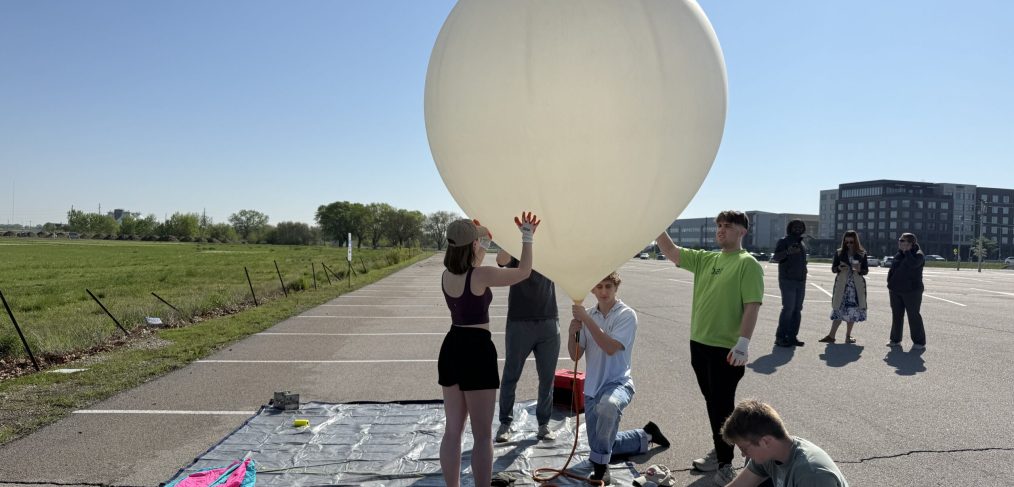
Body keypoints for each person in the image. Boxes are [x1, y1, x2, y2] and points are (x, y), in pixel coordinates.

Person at [656, 210, 764, 486]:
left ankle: (727, 463)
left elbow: (752, 305)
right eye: (718, 225)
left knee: (722, 405)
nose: (721, 229)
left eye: (728, 226)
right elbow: (669, 249)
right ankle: (720, 450)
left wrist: (743, 343)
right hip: (699, 344)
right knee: (713, 403)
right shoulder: (707, 259)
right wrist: (656, 222)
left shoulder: (747, 263)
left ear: (742, 231)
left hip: (726, 349)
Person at [438, 212, 539, 487]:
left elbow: (471, 263)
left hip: (451, 347)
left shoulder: (447, 275)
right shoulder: (481, 275)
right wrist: (527, 237)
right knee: (482, 435)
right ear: (471, 246)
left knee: (452, 432)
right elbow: (523, 271)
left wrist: (480, 239)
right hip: (476, 351)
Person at [568, 272, 669, 486]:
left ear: (616, 288)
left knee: (609, 406)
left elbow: (610, 347)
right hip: (592, 388)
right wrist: (572, 333)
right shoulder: (588, 315)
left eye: (608, 286)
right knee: (600, 444)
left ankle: (602, 466)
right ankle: (645, 435)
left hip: (618, 383)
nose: (604, 291)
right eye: (599, 286)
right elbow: (575, 355)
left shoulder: (626, 314)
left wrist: (586, 320)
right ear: (593, 289)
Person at [494, 248, 561, 442]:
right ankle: (505, 423)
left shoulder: (550, 246)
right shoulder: (517, 246)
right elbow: (500, 260)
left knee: (547, 379)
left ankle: (543, 424)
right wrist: (515, 239)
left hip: (548, 320)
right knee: (511, 375)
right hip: (519, 321)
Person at [720, 399, 849, 487]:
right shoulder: (769, 454)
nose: (743, 454)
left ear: (765, 441)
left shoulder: (811, 474)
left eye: (744, 448)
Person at [818, 231, 868, 344]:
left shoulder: (861, 253)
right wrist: (839, 268)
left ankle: (848, 336)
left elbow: (865, 271)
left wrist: (860, 270)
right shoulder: (839, 253)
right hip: (842, 285)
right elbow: (833, 269)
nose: (849, 244)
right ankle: (831, 336)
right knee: (838, 310)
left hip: (855, 287)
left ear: (855, 241)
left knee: (852, 312)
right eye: (847, 242)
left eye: (851, 242)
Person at [770, 219, 808, 347]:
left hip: (801, 281)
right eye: (795, 226)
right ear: (790, 228)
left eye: (800, 226)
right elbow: (775, 257)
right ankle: (780, 337)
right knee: (788, 309)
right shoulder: (784, 241)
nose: (798, 228)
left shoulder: (801, 243)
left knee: (797, 310)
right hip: (788, 281)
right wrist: (787, 252)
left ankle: (792, 337)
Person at [887, 232, 926, 349]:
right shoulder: (899, 254)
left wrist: (908, 252)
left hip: (912, 291)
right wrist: (890, 283)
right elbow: (893, 270)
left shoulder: (918, 255)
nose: (899, 242)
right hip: (895, 290)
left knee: (913, 315)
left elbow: (913, 265)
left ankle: (919, 342)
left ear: (910, 243)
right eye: (900, 240)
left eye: (902, 240)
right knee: (897, 315)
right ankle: (895, 340)